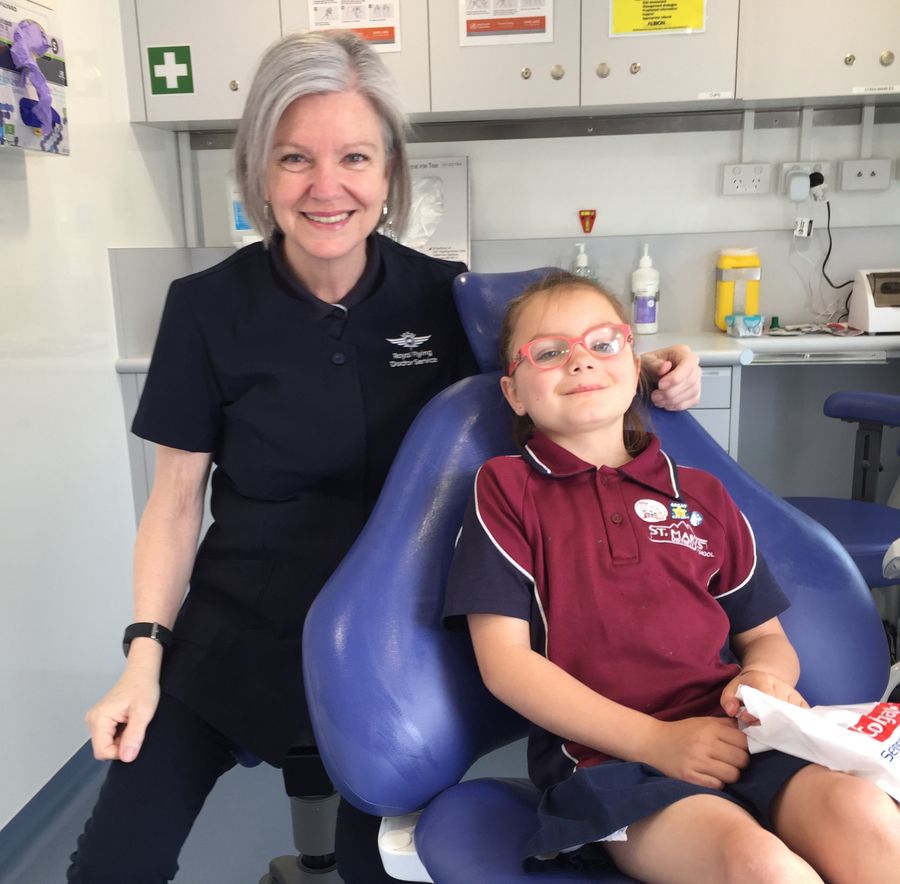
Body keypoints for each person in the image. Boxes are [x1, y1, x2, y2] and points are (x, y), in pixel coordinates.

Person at [68, 31, 702, 884]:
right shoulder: (204, 309)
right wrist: (142, 660)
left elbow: (561, 377)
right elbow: (175, 504)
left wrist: (648, 371)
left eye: (354, 157)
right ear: (258, 172)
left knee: (385, 874)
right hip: (237, 632)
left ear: (391, 173)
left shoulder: (450, 296)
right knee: (111, 865)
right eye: (295, 158)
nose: (326, 187)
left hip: (394, 643)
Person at [443, 272, 900, 883]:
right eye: (549, 353)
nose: (579, 361)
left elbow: (764, 637)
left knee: (864, 812)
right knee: (758, 864)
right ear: (515, 392)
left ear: (635, 366)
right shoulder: (505, 490)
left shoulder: (704, 496)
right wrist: (657, 743)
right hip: (610, 763)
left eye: (602, 343)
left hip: (741, 737)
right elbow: (506, 666)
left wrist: (766, 678)